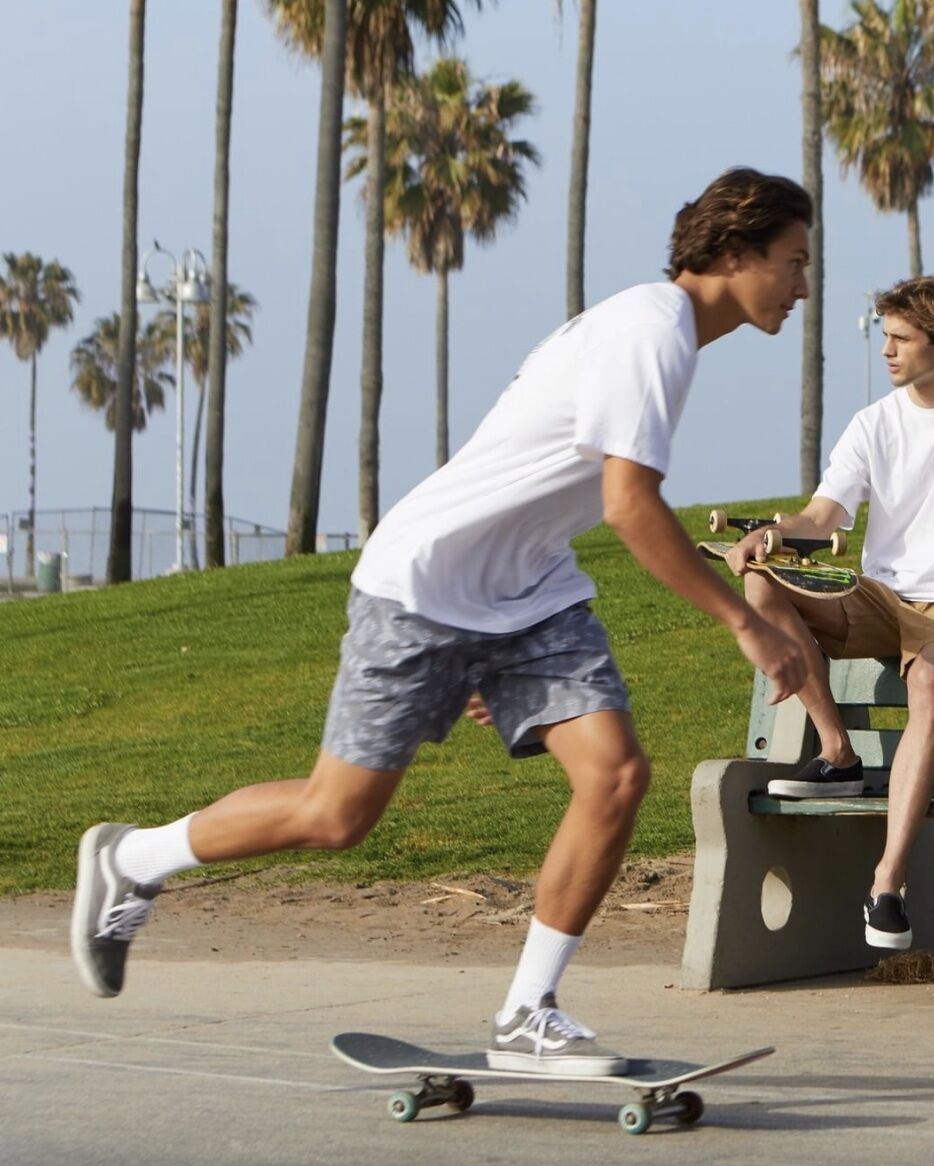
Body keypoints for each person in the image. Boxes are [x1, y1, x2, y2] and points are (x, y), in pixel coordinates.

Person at [71, 166, 810, 1076]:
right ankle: (134, 856)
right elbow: (630, 506)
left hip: (527, 590)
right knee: (336, 815)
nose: (803, 285)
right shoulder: (649, 333)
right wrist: (744, 622)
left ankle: (527, 1013)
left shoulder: (663, 337)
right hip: (424, 585)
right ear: (734, 254)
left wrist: (491, 656)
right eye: (792, 261)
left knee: (616, 777)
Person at [725, 275, 934, 955]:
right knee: (765, 586)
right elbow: (822, 518)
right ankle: (837, 753)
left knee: (928, 682)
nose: (888, 352)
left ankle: (887, 885)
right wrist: (771, 541)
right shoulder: (876, 423)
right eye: (885, 338)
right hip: (881, 597)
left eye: (902, 339)